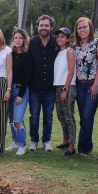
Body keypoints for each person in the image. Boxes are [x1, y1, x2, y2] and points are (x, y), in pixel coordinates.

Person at [27, 15, 59, 151]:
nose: (43, 28)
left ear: (51, 27)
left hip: (50, 87)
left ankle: (46, 141)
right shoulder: (31, 42)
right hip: (34, 87)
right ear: (37, 27)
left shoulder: (57, 42)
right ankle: (34, 141)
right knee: (33, 116)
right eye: (41, 25)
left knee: (48, 116)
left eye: (46, 25)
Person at [73, 16, 98, 157]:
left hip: (92, 85)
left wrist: (96, 84)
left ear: (90, 28)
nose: (82, 30)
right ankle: (88, 144)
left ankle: (83, 149)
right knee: (83, 117)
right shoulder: (75, 46)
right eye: (79, 28)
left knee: (87, 116)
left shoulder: (97, 43)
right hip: (80, 85)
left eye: (85, 27)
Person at [6, 29, 34, 156]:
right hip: (9, 88)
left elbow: (28, 77)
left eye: (20, 38)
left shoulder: (27, 56)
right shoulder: (10, 54)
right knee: (11, 120)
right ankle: (15, 142)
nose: (17, 40)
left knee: (18, 119)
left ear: (24, 40)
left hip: (20, 89)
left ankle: (22, 145)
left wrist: (21, 94)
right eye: (15, 38)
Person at [53, 27, 77, 156]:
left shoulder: (69, 51)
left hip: (67, 87)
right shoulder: (59, 52)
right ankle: (66, 140)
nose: (60, 39)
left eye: (63, 37)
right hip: (57, 86)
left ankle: (72, 146)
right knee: (61, 116)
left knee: (69, 117)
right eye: (58, 36)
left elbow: (71, 72)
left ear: (68, 39)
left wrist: (65, 89)